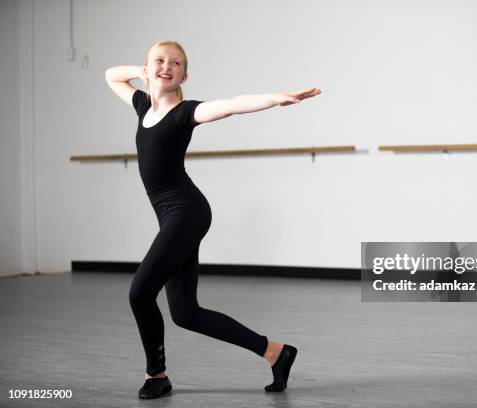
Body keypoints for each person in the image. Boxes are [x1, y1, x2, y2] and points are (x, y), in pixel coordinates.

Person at [105, 40, 321, 399]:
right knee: (186, 314)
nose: (165, 66)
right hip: (172, 217)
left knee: (140, 292)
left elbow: (231, 105)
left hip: (186, 212)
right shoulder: (142, 105)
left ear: (184, 75)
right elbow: (111, 76)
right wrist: (139, 70)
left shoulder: (185, 111)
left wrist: (277, 98)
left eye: (175, 63)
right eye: (159, 61)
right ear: (147, 69)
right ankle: (276, 352)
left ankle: (156, 375)